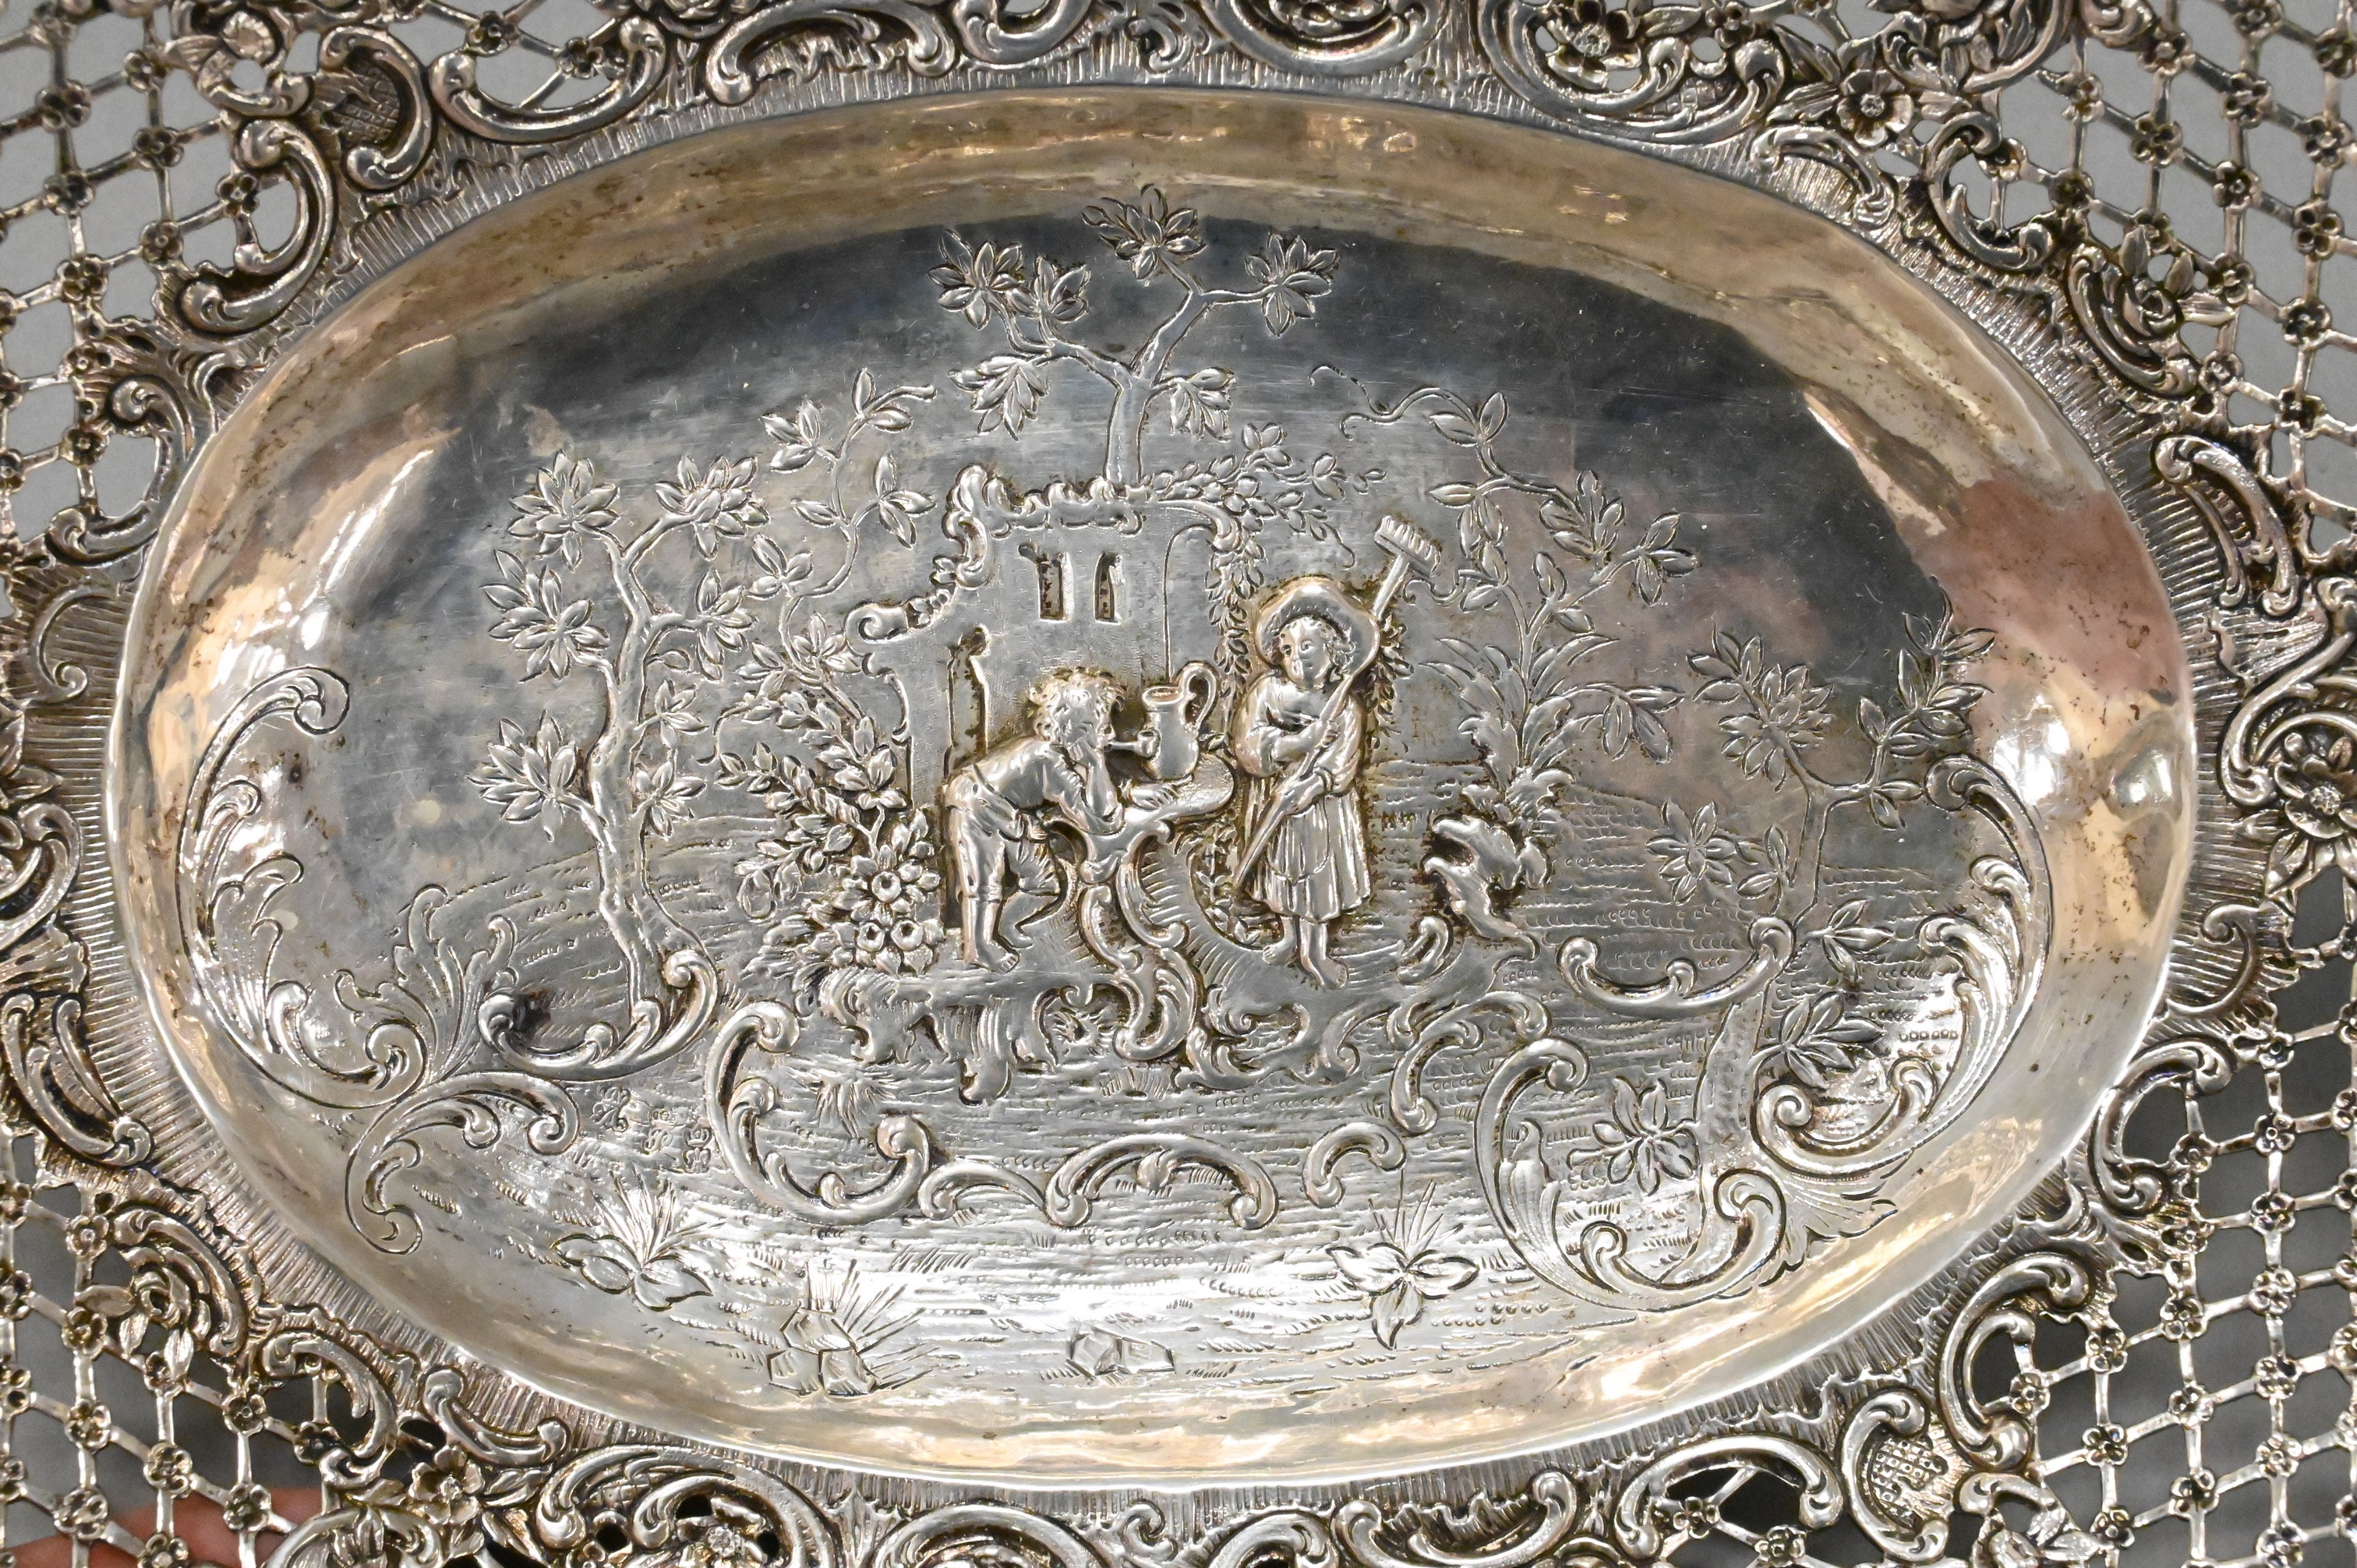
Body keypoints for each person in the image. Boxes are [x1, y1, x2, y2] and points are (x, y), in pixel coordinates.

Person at [1232, 577, 1375, 986]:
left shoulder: (1343, 706)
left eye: (1308, 647)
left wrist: (1312, 787)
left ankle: (1315, 952)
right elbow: (1247, 741)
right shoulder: (1267, 692)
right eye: (1289, 650)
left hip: (1320, 811)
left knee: (1314, 879)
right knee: (1283, 873)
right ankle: (1289, 936)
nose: (1297, 659)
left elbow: (1344, 759)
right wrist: (1297, 743)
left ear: (1333, 652)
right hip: (1276, 796)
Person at [943, 669, 1123, 971]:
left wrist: (1096, 765)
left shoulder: (1059, 761)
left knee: (1043, 883)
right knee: (984, 881)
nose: (1111, 736)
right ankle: (979, 947)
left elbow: (1103, 815)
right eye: (1102, 728)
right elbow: (1096, 820)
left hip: (1012, 816)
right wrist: (1095, 763)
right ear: (1077, 731)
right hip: (974, 804)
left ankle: (1005, 927)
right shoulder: (1047, 759)